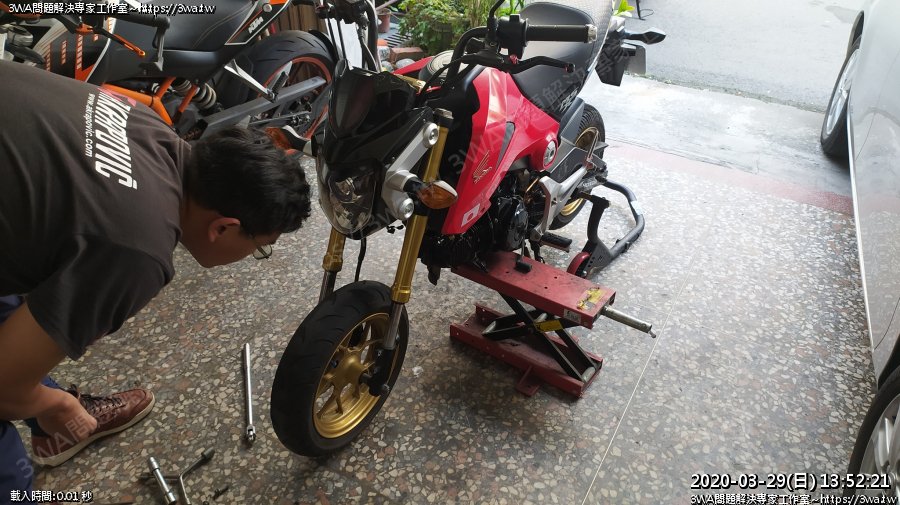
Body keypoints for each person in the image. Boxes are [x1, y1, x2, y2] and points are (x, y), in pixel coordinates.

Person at [0, 61, 312, 496]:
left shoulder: (147, 125)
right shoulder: (136, 251)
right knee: (9, 475)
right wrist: (54, 406)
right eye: (259, 246)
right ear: (224, 228)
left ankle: (41, 400)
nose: (254, 256)